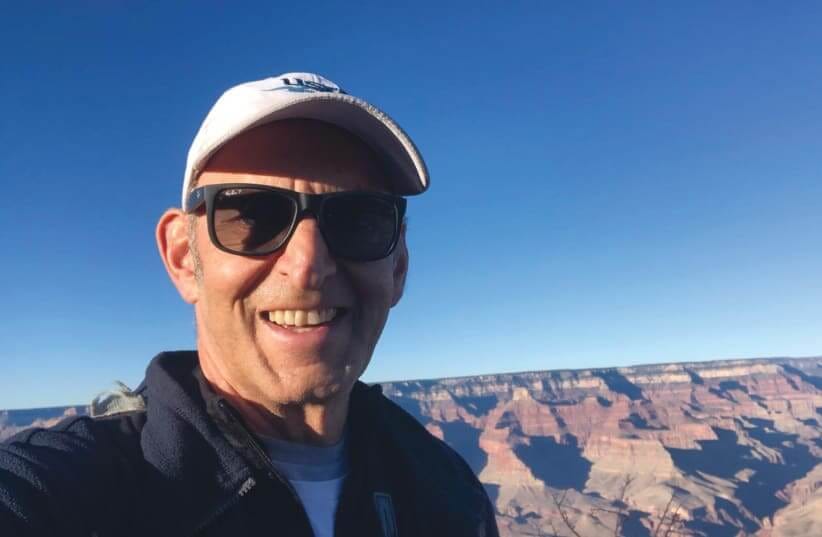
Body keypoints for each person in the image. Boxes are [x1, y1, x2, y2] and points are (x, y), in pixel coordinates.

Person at [0, 72, 499, 537]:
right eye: (251, 215)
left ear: (398, 269)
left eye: (360, 219)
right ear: (183, 258)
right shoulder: (69, 492)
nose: (308, 265)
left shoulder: (449, 492)